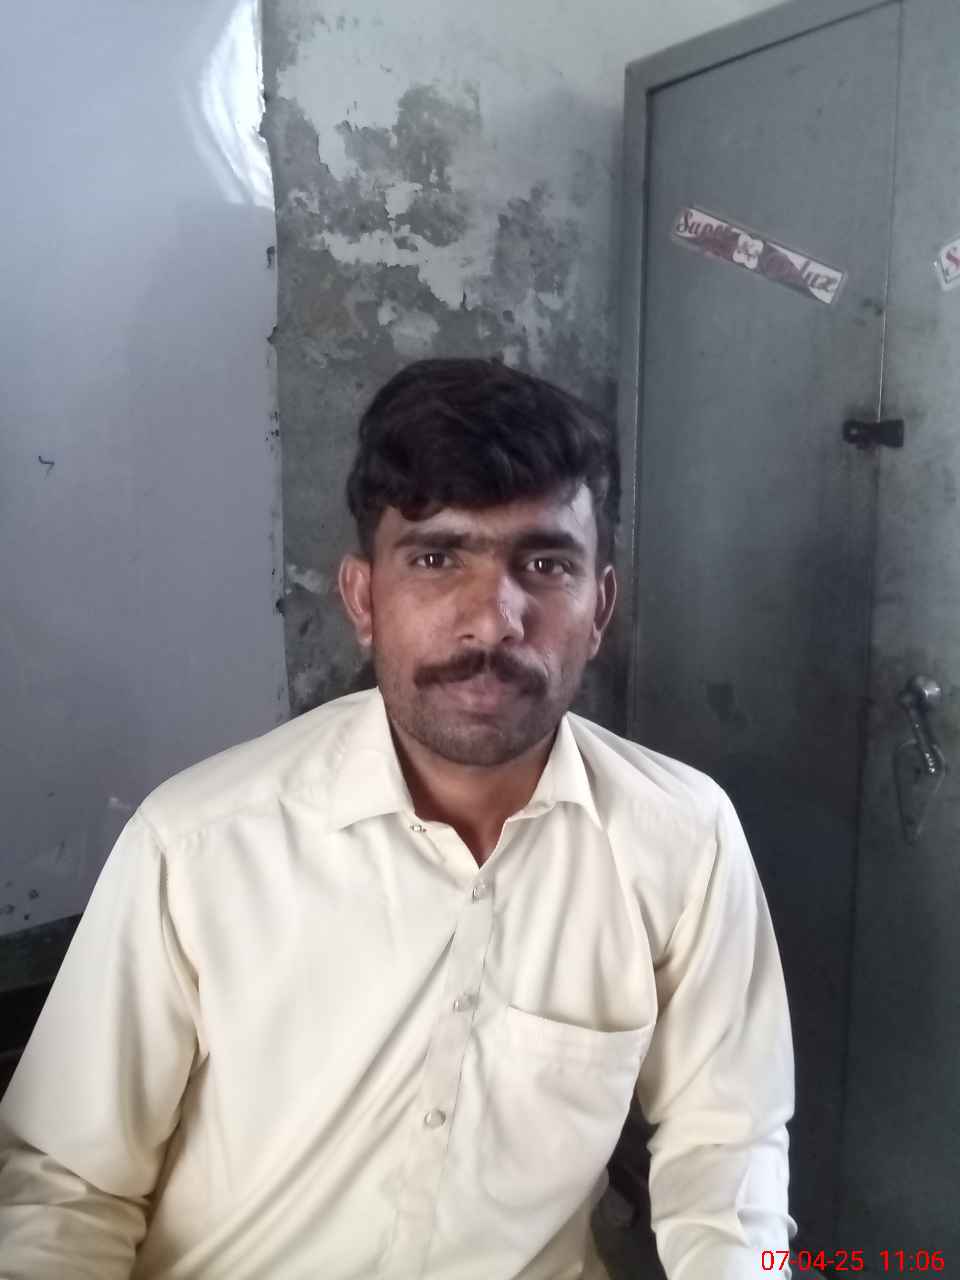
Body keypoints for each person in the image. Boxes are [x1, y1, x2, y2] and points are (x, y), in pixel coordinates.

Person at [0, 357, 796, 1279]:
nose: (493, 621)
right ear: (362, 599)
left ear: (600, 610)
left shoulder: (683, 838)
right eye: (435, 558)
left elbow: (727, 1153)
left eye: (545, 564)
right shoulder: (199, 844)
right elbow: (67, 1188)